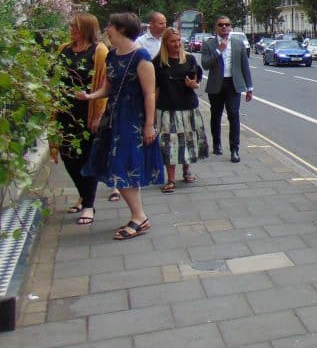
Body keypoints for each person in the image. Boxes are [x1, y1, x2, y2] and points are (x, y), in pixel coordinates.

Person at [77, 12, 164, 240]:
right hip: (113, 118)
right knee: (119, 167)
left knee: (123, 167)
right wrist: (89, 96)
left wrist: (149, 125)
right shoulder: (112, 56)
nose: (107, 29)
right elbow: (108, 87)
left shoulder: (141, 57)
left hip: (133, 120)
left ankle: (140, 217)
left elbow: (149, 94)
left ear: (122, 29)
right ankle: (138, 216)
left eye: (111, 26)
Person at [54, 13, 108, 226]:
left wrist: (97, 114)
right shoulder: (64, 49)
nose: (71, 29)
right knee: (68, 156)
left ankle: (88, 204)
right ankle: (83, 195)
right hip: (64, 111)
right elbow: (54, 74)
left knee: (86, 158)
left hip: (86, 111)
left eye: (75, 26)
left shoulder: (98, 51)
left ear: (86, 28)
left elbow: (104, 83)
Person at [154, 27, 209, 192]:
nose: (177, 44)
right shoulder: (158, 63)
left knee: (187, 141)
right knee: (169, 144)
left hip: (187, 107)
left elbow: (196, 80)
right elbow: (154, 89)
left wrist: (194, 84)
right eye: (172, 41)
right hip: (167, 109)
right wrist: (150, 115)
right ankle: (170, 180)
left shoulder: (190, 59)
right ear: (165, 43)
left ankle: (186, 170)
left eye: (179, 41)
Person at [201, 15, 253, 163]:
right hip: (216, 85)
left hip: (233, 84)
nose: (224, 27)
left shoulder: (238, 43)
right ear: (216, 27)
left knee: (234, 115)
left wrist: (249, 87)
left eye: (227, 24)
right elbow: (205, 64)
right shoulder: (209, 44)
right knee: (216, 115)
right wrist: (219, 50)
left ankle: (234, 149)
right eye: (220, 25)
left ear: (231, 27)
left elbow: (245, 66)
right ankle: (217, 143)